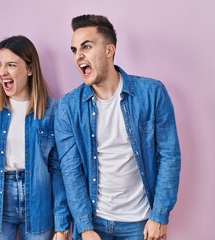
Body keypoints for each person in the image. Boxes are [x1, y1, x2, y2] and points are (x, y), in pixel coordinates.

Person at [54, 15, 181, 240]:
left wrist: (160, 216)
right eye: (74, 50)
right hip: (95, 223)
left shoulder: (152, 94)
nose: (78, 56)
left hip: (141, 224)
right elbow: (71, 170)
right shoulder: (68, 107)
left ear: (109, 50)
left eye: (86, 47)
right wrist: (84, 227)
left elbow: (169, 156)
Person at [0, 35, 70, 240]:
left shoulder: (53, 111)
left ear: (30, 69)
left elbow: (58, 171)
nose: (3, 72)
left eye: (11, 65)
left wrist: (61, 225)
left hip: (39, 203)